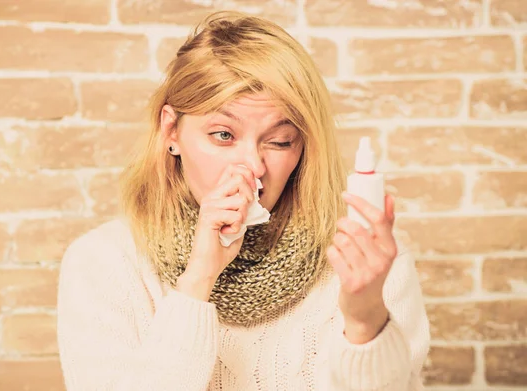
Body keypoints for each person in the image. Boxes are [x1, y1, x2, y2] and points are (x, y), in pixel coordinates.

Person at [56, 10, 430, 391]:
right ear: (171, 130)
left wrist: (366, 319)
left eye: (280, 141)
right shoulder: (103, 263)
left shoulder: (365, 260)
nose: (252, 166)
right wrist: (199, 276)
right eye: (222, 135)